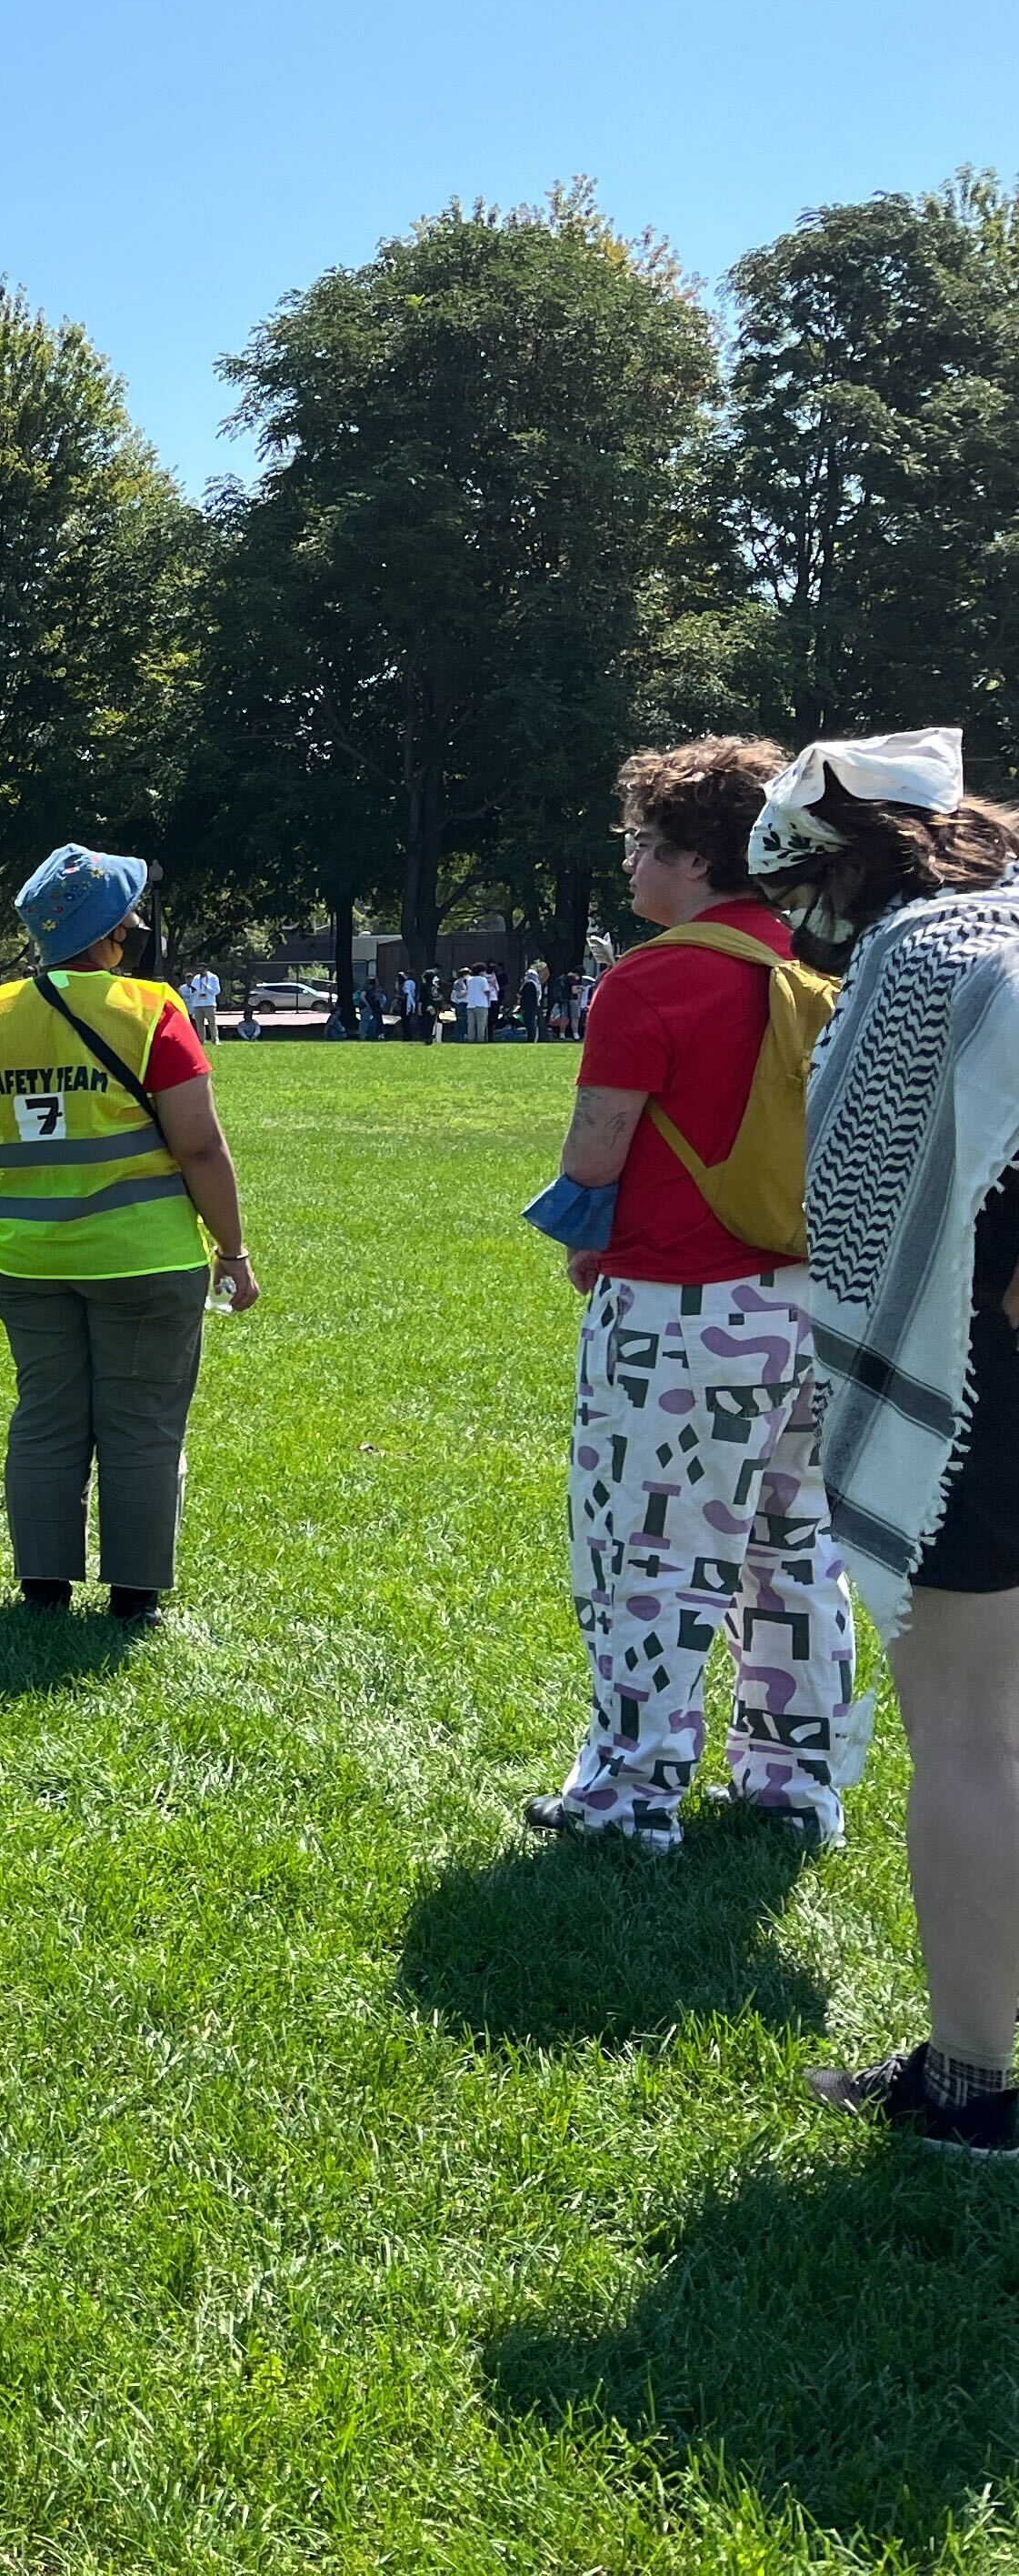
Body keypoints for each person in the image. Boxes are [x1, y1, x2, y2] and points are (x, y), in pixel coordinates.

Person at [733, 731, 1019, 2151]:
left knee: (971, 1736)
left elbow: (851, 1208)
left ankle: (971, 2082)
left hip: (981, 1393)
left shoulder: (927, 963)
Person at [518, 739, 862, 1855]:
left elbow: (595, 1156)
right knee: (794, 1551)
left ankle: (632, 1790)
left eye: (644, 845)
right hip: (811, 1306)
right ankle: (794, 1784)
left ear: (701, 858)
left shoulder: (652, 979)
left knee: (647, 1553)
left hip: (677, 1309)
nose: (629, 865)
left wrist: (581, 1231)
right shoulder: (823, 966)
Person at [0, 845, 258, 1621]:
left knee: (47, 1414)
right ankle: (134, 1594)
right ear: (110, 934)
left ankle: (43, 1586)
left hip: (27, 1257)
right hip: (144, 1256)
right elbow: (198, 1144)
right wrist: (233, 1251)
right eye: (128, 920)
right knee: (142, 1421)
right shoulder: (150, 1010)